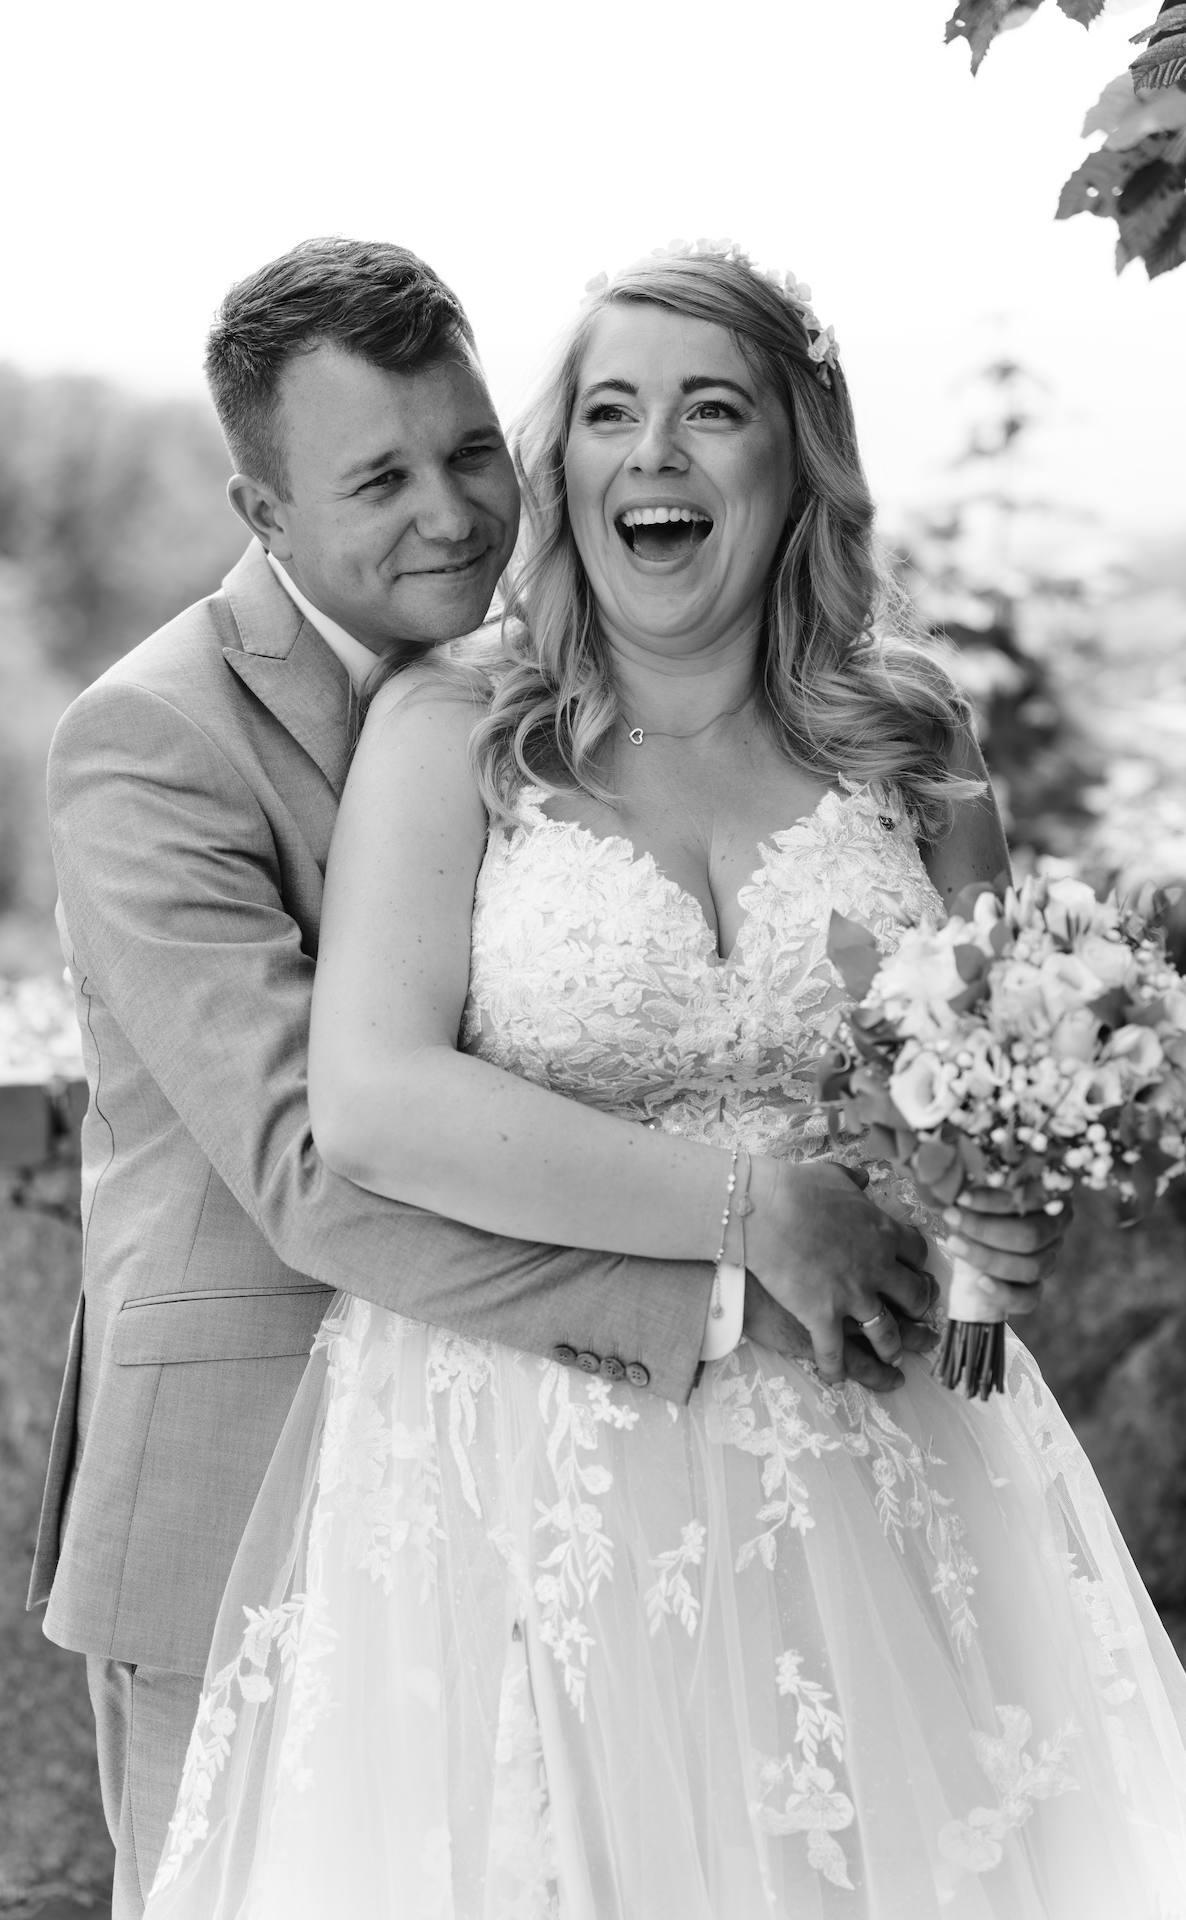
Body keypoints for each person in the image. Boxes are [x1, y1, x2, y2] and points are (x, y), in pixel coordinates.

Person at [142, 243, 1186, 1918]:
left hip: (879, 1443)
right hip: (520, 1463)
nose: (656, 452)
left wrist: (1003, 1218)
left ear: (797, 456)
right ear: (566, 465)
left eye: (712, 411)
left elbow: (984, 1086)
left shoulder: (914, 739)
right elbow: (378, 1103)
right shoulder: (453, 725)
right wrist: (749, 1207)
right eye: (612, 413)